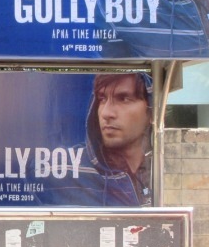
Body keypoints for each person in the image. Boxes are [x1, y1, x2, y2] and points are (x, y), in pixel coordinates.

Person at [40, 72, 153, 207]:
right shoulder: (61, 168)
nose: (106, 113)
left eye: (124, 99)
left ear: (151, 111)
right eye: (102, 99)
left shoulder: (156, 170)